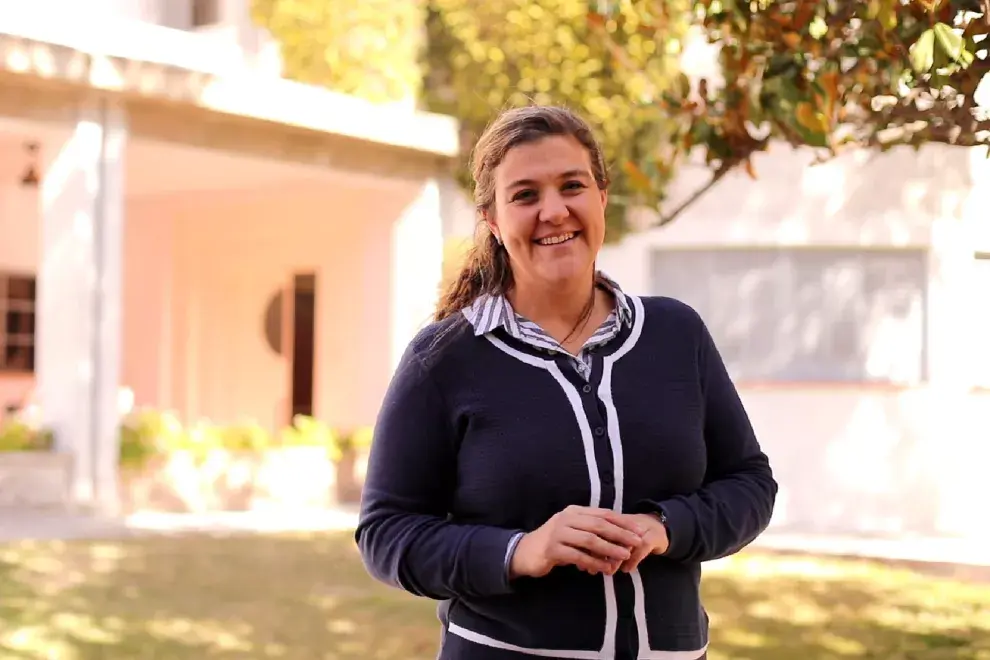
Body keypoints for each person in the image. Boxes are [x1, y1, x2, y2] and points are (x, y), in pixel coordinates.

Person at [355, 105, 777, 660]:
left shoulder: (677, 334)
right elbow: (387, 533)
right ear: (493, 220)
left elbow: (748, 482)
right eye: (525, 195)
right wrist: (522, 550)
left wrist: (666, 526)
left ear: (601, 196)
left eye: (571, 186)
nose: (554, 211)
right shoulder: (444, 359)